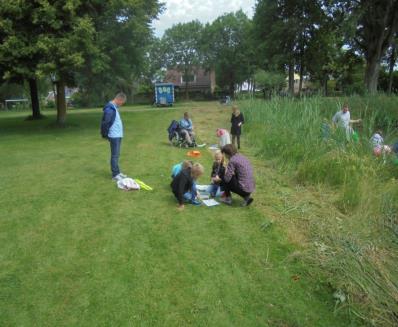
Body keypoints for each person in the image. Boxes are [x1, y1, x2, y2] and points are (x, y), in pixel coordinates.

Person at [100, 92, 127, 181]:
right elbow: (105, 123)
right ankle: (115, 175)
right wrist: (105, 134)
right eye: (122, 103)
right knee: (114, 155)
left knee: (116, 155)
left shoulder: (114, 107)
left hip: (117, 135)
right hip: (114, 135)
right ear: (119, 100)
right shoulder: (110, 109)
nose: (122, 104)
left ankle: (118, 172)